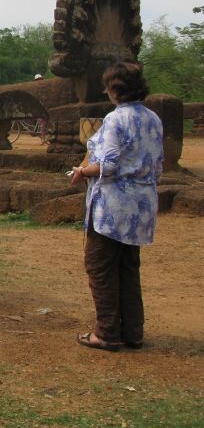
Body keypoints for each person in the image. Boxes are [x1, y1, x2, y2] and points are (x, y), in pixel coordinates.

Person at [70, 61, 163, 351]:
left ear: (113, 89)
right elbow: (158, 165)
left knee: (100, 266)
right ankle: (132, 331)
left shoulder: (115, 119)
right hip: (142, 205)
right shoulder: (153, 119)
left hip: (113, 207)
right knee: (127, 267)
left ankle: (107, 332)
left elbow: (107, 165)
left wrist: (83, 171)